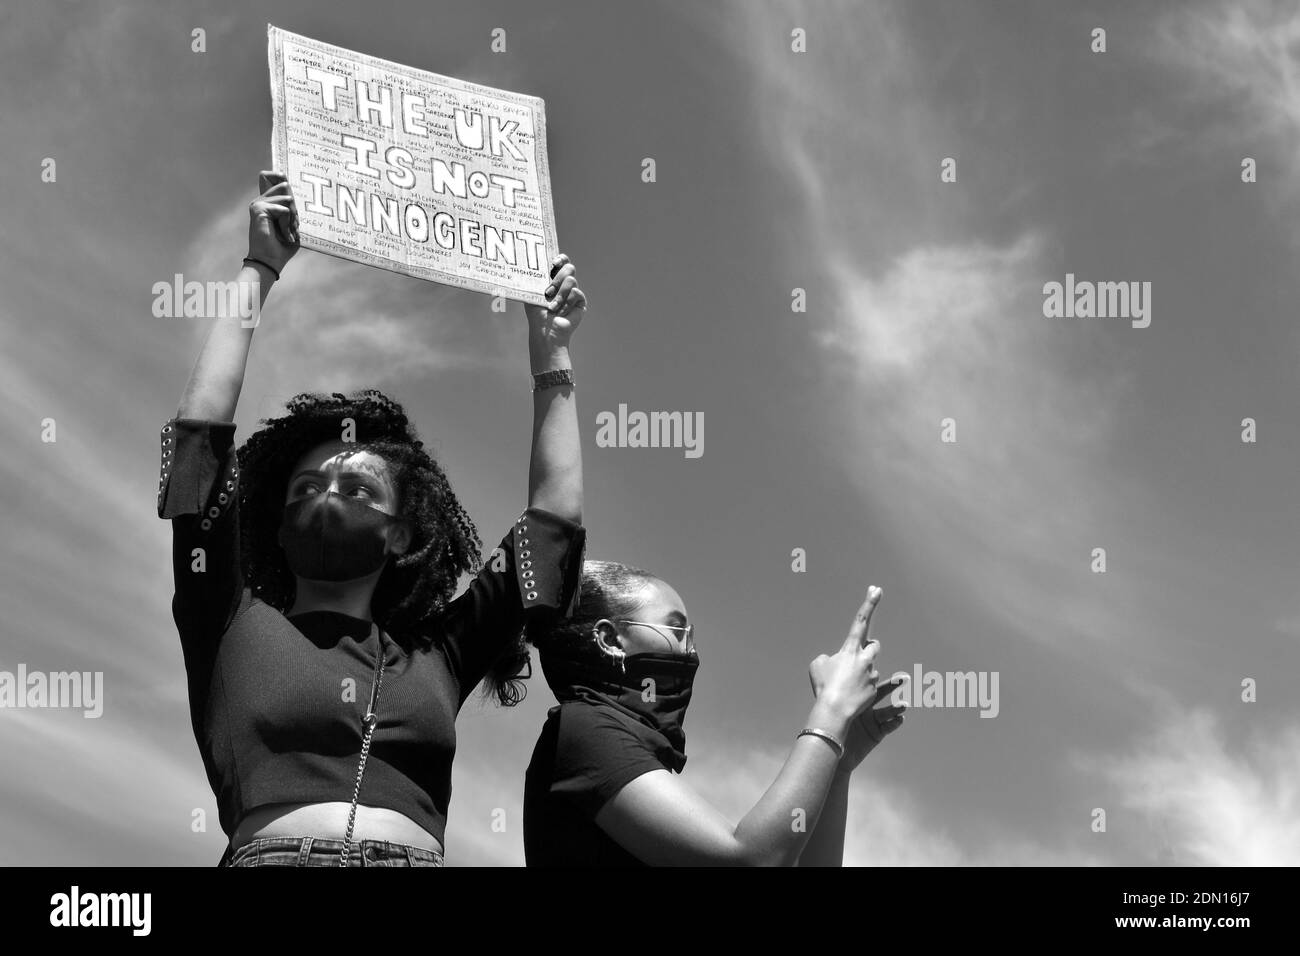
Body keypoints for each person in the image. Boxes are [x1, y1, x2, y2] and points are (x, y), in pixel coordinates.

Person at [158, 171, 588, 866]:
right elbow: (199, 442)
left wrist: (553, 356)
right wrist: (258, 270)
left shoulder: (441, 654)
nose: (328, 487)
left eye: (356, 484)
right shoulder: (227, 615)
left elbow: (551, 530)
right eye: (307, 485)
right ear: (276, 521)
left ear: (402, 533)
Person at [523, 561, 907, 866]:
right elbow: (750, 860)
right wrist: (832, 709)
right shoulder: (580, 729)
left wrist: (837, 760)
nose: (691, 651)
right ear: (610, 639)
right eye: (676, 630)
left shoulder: (618, 746)